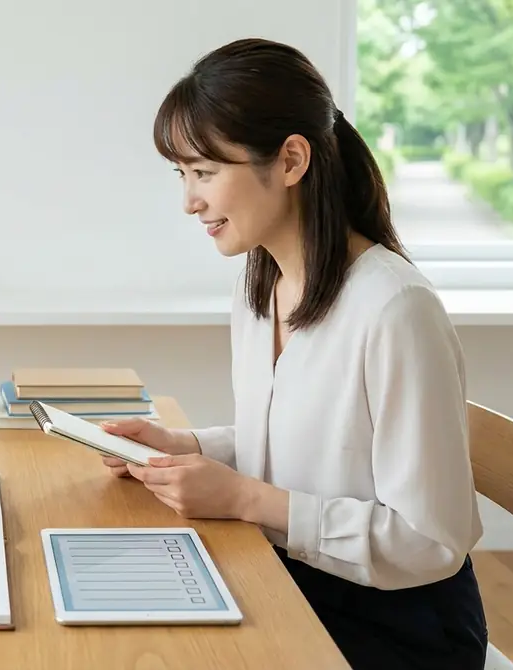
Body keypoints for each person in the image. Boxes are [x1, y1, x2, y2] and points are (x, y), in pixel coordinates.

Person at [99, 38, 488, 669]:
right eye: (183, 175)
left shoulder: (396, 308)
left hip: (401, 625)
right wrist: (190, 448)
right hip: (296, 576)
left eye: (205, 172)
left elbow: (428, 540)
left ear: (290, 160)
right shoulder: (262, 285)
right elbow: (306, 444)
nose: (189, 201)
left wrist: (241, 498)